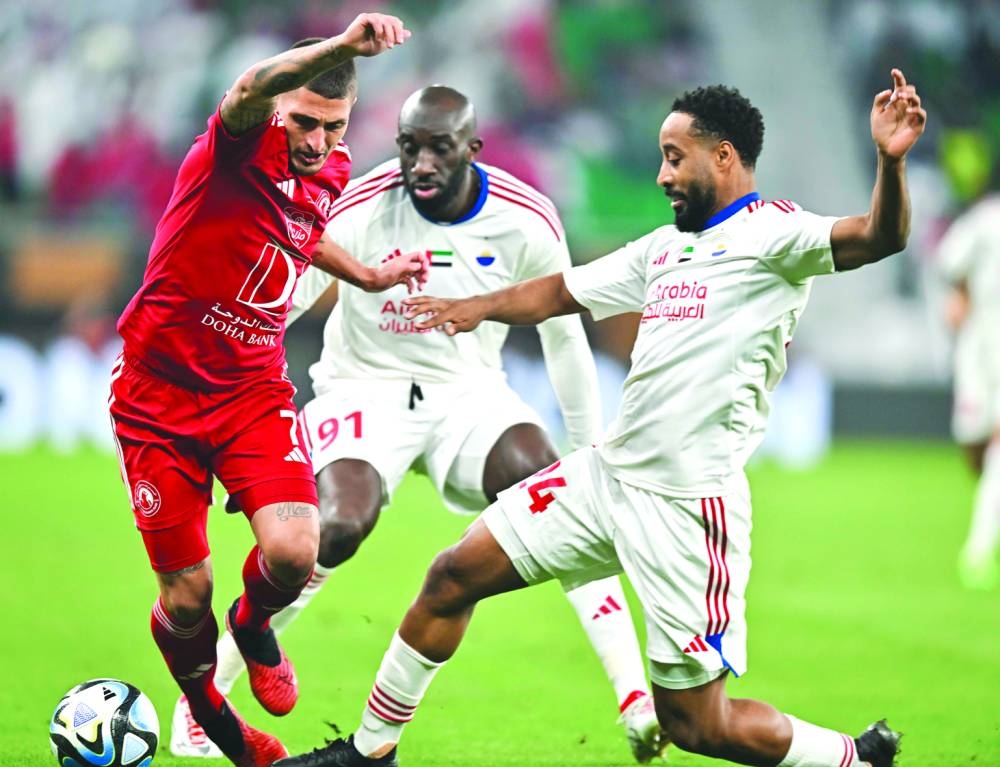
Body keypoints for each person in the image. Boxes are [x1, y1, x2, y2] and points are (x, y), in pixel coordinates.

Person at [275, 69, 926, 767]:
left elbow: (876, 236)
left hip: (685, 506)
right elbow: (560, 291)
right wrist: (477, 306)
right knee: (451, 575)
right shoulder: (665, 248)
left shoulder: (777, 236)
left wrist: (889, 162)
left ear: (725, 157)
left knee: (697, 724)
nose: (661, 175)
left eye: (675, 158)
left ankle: (852, 758)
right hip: (606, 476)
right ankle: (369, 753)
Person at [171, 84, 666, 764]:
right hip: (363, 387)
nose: (421, 164)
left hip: (467, 392)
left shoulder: (527, 219)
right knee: (336, 527)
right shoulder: (365, 202)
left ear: (473, 149)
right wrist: (238, 419)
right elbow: (287, 303)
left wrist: (590, 451)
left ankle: (635, 699)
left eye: (439, 148)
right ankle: (205, 699)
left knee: (557, 489)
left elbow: (564, 339)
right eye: (410, 148)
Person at [107, 14, 427, 767]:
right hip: (158, 396)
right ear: (281, 108)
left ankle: (253, 627)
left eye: (334, 126)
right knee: (186, 599)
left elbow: (301, 230)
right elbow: (254, 82)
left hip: (251, 390)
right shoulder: (238, 141)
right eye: (307, 122)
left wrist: (369, 275)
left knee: (294, 549)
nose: (318, 141)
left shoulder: (332, 167)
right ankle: (217, 721)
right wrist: (346, 46)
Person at [938, 188, 1000, 590]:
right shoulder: (987, 217)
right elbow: (949, 260)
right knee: (975, 448)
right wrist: (959, 294)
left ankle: (978, 549)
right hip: (982, 344)